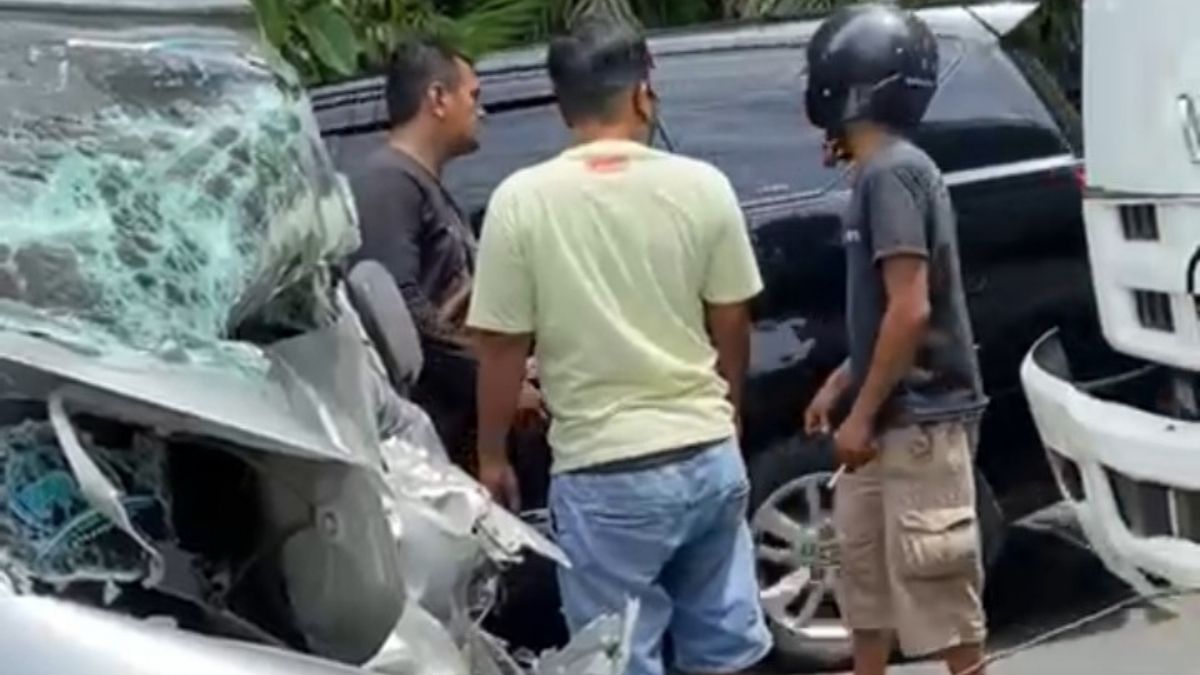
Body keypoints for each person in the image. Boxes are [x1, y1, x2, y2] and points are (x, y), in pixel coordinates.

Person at [465, 16, 772, 675]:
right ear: (641, 93)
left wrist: (491, 454)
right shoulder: (703, 186)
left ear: (561, 106)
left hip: (604, 474)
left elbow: (502, 346)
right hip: (706, 454)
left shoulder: (521, 201)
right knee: (724, 652)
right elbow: (732, 320)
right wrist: (729, 411)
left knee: (619, 658)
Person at [800, 5, 989, 675]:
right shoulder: (880, 172)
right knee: (865, 585)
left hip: (917, 424)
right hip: (888, 423)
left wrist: (859, 413)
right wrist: (841, 382)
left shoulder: (893, 175)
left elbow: (910, 309)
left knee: (941, 594)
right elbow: (886, 312)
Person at [346, 35, 540, 468]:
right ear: (437, 98)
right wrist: (496, 382)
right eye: (473, 96)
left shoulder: (420, 185)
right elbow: (403, 311)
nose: (481, 111)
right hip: (429, 441)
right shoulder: (388, 184)